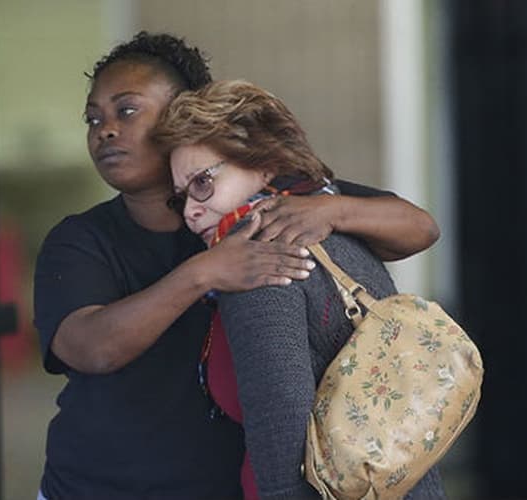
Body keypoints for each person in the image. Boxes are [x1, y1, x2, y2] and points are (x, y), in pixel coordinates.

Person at [34, 32, 440, 499]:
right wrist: (206, 271)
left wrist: (332, 210)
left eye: (126, 110)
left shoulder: (264, 202)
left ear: (183, 112)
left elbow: (420, 228)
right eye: (93, 118)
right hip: (98, 489)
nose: (104, 129)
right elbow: (89, 347)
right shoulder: (80, 239)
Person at [153, 79, 447, 499]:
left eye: (202, 183)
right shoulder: (336, 226)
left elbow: (282, 442)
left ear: (264, 165)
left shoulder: (261, 259)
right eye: (179, 199)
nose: (190, 211)